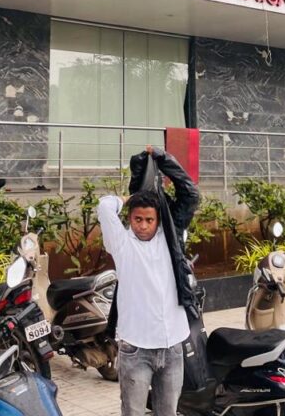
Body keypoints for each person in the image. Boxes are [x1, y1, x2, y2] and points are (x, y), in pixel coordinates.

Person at [98, 146, 198, 416]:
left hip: (173, 346)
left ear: (158, 220)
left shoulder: (169, 238)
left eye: (149, 220)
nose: (143, 225)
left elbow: (190, 194)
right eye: (137, 219)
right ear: (130, 219)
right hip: (135, 349)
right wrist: (130, 197)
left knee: (168, 412)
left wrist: (164, 159)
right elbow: (104, 206)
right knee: (133, 412)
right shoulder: (121, 243)